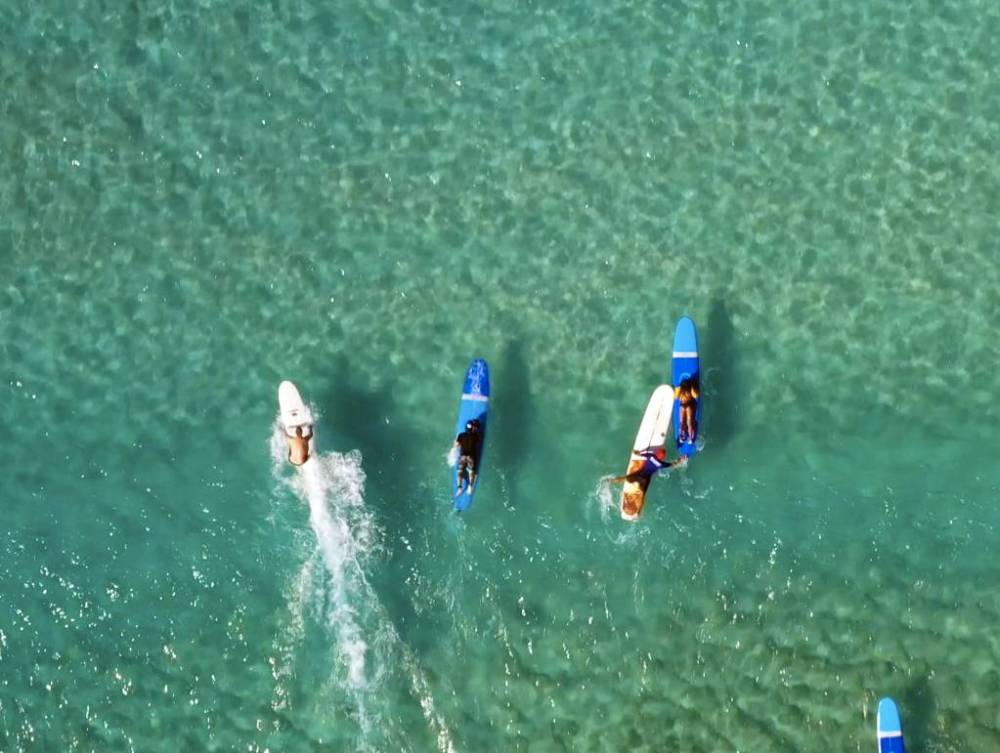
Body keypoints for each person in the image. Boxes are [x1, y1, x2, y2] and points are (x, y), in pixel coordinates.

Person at [609, 446, 685, 485]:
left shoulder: (651, 456)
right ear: (662, 458)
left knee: (625, 479)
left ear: (657, 454)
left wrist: (635, 451)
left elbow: (638, 453)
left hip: (639, 474)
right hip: (645, 479)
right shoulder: (661, 464)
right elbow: (672, 464)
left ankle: (610, 481)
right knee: (640, 482)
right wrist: (680, 460)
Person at [452, 418, 483, 494]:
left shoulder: (461, 435)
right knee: (471, 472)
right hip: (470, 457)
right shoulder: (475, 436)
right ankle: (470, 486)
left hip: (463, 457)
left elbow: (456, 445)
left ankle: (459, 487)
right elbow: (478, 439)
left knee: (459, 471)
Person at [676, 377, 699, 444]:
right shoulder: (690, 391)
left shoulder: (681, 391)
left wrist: (678, 387)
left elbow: (676, 397)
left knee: (682, 422)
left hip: (682, 406)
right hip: (689, 406)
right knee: (689, 422)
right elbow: (696, 396)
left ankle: (682, 436)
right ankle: (690, 438)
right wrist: (693, 386)